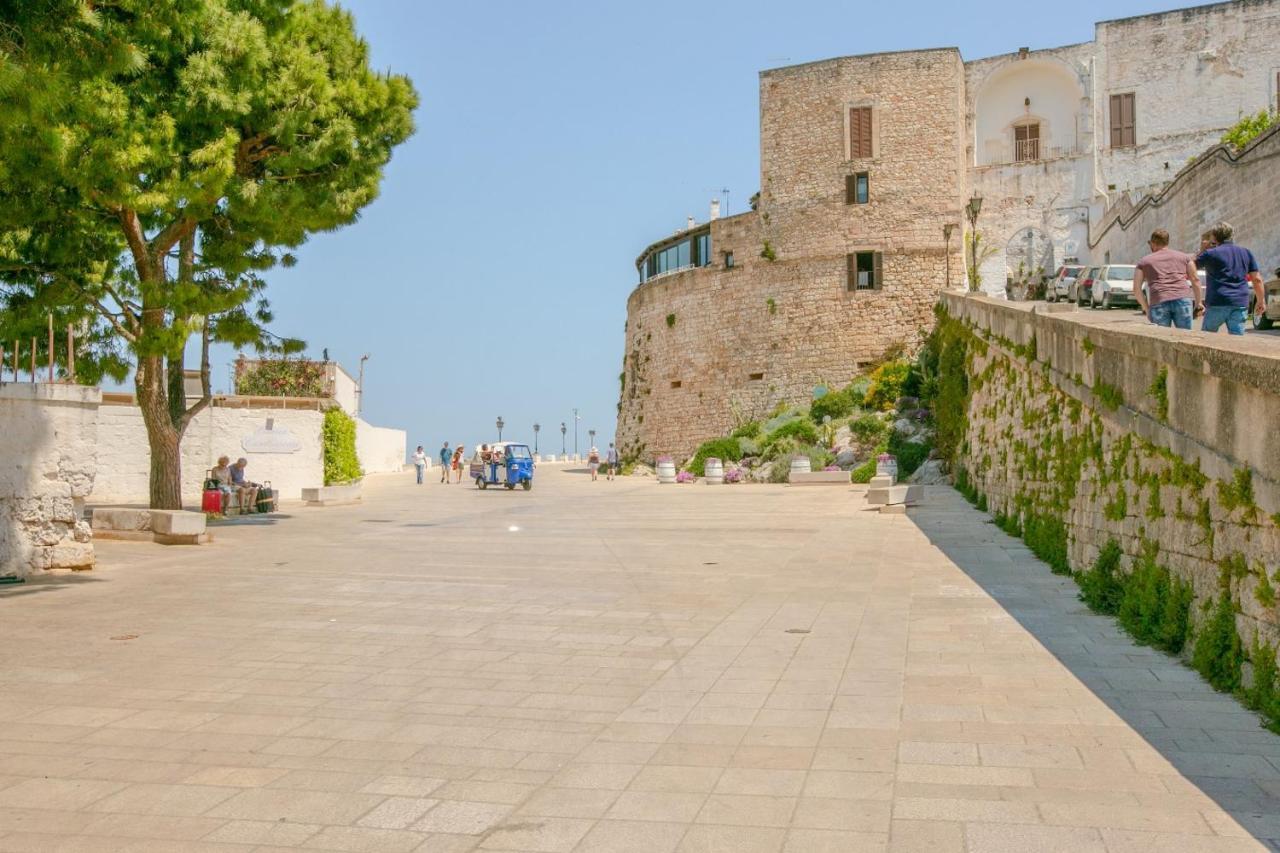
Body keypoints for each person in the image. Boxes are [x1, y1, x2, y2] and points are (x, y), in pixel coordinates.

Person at [1197, 221, 1265, 335]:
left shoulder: (1210, 253)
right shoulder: (1246, 252)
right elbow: (1257, 279)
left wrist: (1202, 250)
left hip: (1217, 301)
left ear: (1214, 236)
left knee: (1206, 340)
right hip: (1239, 302)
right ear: (1232, 235)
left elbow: (1192, 265)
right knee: (1237, 342)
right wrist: (1261, 301)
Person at [1134, 229, 1200, 330]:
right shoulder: (1184, 257)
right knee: (1185, 337)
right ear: (1167, 242)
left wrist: (1146, 309)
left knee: (1161, 339)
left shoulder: (1144, 262)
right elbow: (1195, 279)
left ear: (1152, 243)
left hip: (1159, 300)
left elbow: (1136, 288)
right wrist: (1198, 302)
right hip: (1182, 299)